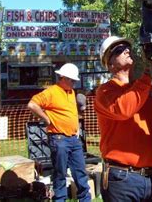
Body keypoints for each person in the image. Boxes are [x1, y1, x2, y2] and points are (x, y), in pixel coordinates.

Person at [94, 36, 152, 201]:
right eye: (118, 50)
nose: (126, 50)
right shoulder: (105, 92)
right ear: (110, 65)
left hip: (151, 176)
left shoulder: (146, 89)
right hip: (122, 179)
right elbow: (125, 109)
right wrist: (146, 78)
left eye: (127, 47)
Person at [27, 63, 91, 202]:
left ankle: (85, 199)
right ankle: (60, 199)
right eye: (72, 80)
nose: (74, 83)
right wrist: (46, 119)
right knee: (60, 173)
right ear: (63, 77)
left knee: (80, 172)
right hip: (59, 138)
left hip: (74, 139)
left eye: (74, 80)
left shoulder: (71, 92)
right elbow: (32, 105)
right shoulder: (51, 92)